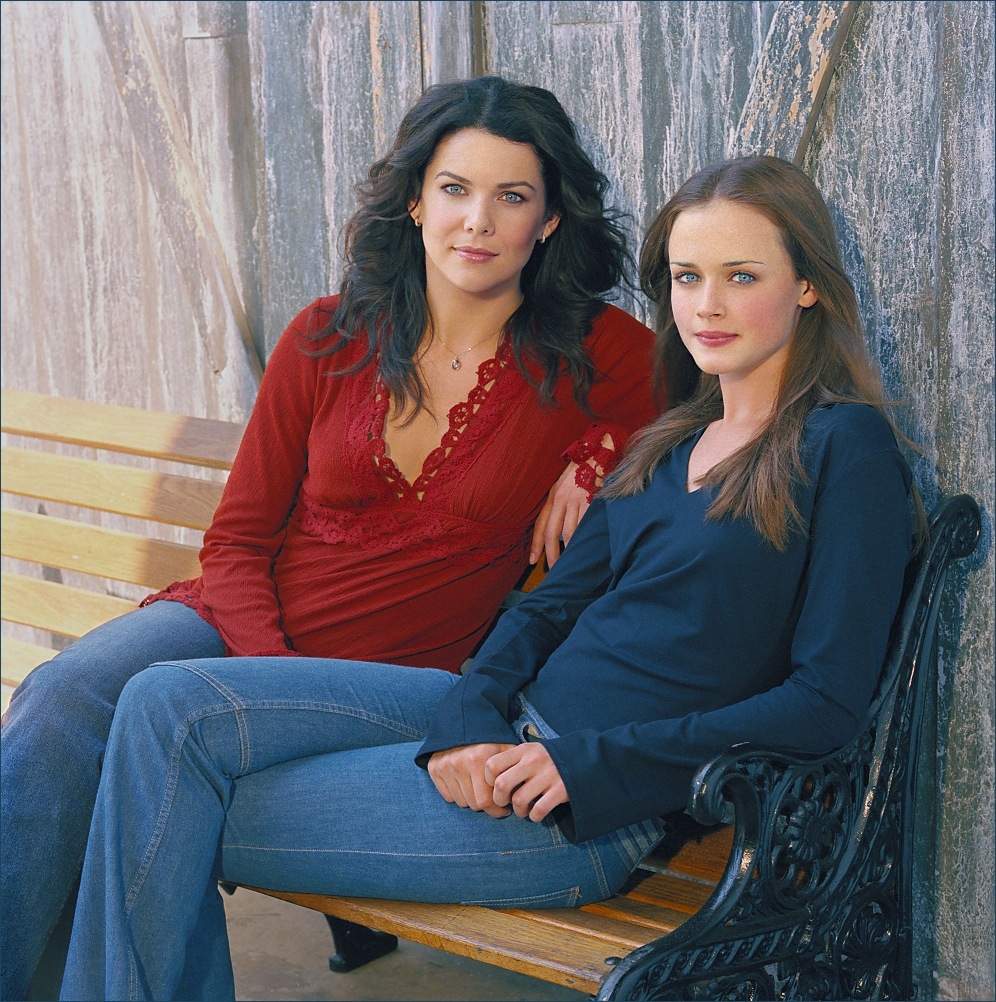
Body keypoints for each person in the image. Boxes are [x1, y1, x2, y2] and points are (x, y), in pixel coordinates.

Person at [57, 154, 925, 1002]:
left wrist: (586, 764)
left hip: (575, 811)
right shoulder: (668, 445)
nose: (707, 305)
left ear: (807, 286)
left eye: (742, 277)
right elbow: (546, 612)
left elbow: (825, 701)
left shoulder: (843, 449)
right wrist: (470, 722)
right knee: (165, 703)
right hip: (491, 722)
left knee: (148, 805)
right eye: (687, 277)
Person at [0, 76, 661, 1001]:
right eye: (455, 188)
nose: (477, 221)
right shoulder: (326, 336)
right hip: (237, 632)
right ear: (415, 200)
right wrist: (263, 676)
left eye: (512, 196)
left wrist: (599, 453)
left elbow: (707, 409)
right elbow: (237, 540)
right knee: (63, 697)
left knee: (152, 757)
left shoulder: (597, 352)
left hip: (397, 676)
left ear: (548, 221)